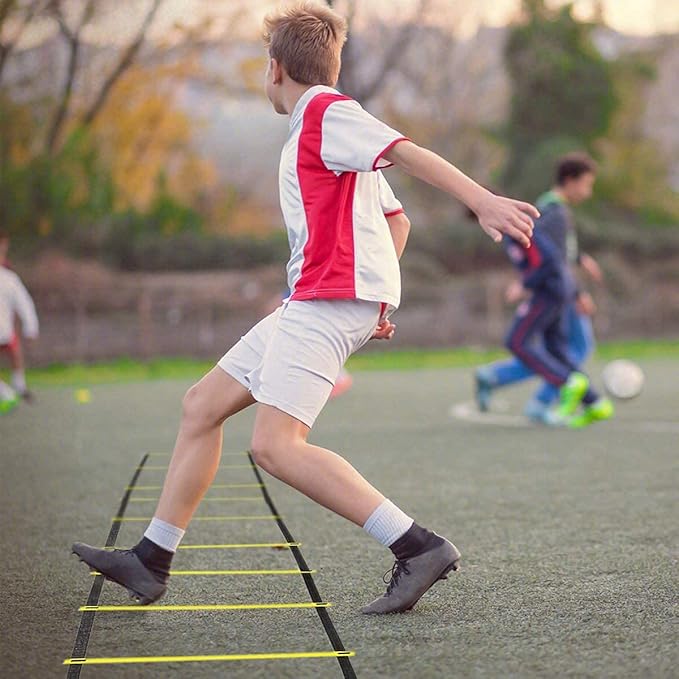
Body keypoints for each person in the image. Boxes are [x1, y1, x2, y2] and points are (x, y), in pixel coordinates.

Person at [72, 1, 536, 615]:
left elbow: (405, 151)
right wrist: (375, 296)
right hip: (320, 300)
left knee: (276, 447)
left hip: (324, 301)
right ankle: (152, 558)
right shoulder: (324, 132)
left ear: (274, 69)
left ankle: (418, 546)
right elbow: (397, 222)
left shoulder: (325, 111)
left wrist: (481, 201)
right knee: (202, 406)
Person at [475, 153, 613, 428]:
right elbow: (555, 254)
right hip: (560, 287)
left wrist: (534, 284)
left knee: (524, 343)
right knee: (560, 349)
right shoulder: (553, 211)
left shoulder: (551, 213)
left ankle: (558, 388)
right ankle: (593, 400)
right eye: (587, 184)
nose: (588, 191)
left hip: (555, 289)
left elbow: (551, 257)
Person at [0, 231, 39, 413]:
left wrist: (31, 328)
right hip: (5, 330)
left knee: (15, 352)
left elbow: (24, 303)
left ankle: (13, 390)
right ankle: (14, 389)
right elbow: (25, 303)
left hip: (4, 330)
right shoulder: (9, 277)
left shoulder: (8, 278)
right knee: (14, 350)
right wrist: (31, 328)